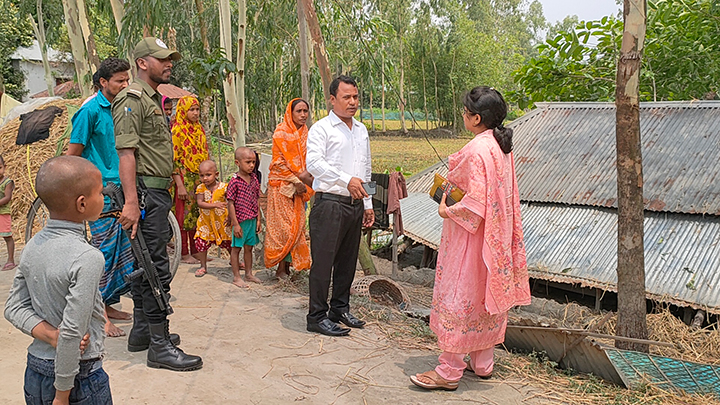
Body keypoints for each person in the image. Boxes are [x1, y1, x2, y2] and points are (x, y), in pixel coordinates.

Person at [410, 87, 531, 391]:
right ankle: (482, 362)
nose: (463, 115)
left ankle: (449, 370)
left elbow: (473, 204)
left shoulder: (477, 150)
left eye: (465, 111)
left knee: (461, 294)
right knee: (483, 296)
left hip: (471, 237)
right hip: (496, 236)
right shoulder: (501, 147)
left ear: (476, 118)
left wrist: (446, 208)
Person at [112, 37, 202, 371]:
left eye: (170, 59)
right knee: (155, 269)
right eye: (162, 59)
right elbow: (126, 154)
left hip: (155, 192)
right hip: (146, 194)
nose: (169, 64)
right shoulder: (132, 99)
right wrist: (132, 202)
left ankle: (141, 332)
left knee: (146, 263)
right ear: (141, 63)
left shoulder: (152, 99)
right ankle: (160, 346)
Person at [4, 155, 112, 405]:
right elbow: (73, 333)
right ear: (82, 204)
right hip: (77, 379)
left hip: (35, 374)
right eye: (100, 193)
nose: (104, 198)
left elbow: (13, 307)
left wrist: (51, 335)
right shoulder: (88, 257)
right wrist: (62, 395)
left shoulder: (32, 245)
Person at [68, 57, 134, 339]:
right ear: (103, 82)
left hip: (122, 187)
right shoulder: (90, 110)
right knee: (103, 253)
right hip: (100, 192)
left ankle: (109, 304)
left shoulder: (124, 107)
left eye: (126, 79)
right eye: (119, 80)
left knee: (122, 252)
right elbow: (73, 154)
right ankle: (99, 315)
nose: (125, 84)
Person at [305, 76, 374, 337]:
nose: (353, 102)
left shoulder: (361, 130)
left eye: (355, 97)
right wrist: (347, 180)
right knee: (323, 263)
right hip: (330, 204)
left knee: (347, 262)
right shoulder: (322, 129)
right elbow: (314, 164)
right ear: (332, 99)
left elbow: (365, 168)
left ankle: (339, 309)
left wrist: (367, 202)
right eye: (346, 97)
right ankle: (317, 316)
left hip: (354, 205)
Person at [265, 98, 314, 279]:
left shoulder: (308, 134)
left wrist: (305, 183)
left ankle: (289, 267)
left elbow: (312, 161)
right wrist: (295, 180)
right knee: (284, 229)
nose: (303, 115)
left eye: (305, 111)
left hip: (302, 188)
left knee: (298, 227)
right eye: (299, 111)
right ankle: (280, 269)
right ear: (290, 113)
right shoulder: (280, 133)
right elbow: (277, 163)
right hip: (282, 187)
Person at [172, 95, 209, 265]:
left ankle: (197, 251)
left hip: (199, 178)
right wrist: (180, 184)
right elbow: (173, 159)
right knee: (183, 216)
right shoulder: (177, 129)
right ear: (183, 111)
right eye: (191, 110)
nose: (195, 113)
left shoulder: (199, 129)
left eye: (197, 109)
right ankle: (184, 252)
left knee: (197, 215)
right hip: (184, 177)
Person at [226, 147, 262, 288]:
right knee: (236, 249)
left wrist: (258, 219)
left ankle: (248, 273)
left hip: (252, 220)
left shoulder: (254, 178)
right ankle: (236, 277)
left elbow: (257, 199)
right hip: (240, 221)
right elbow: (230, 203)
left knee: (249, 248)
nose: (251, 165)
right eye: (248, 162)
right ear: (237, 162)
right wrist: (235, 224)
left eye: (253, 162)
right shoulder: (234, 181)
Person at [193, 160, 231, 277]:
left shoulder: (224, 187)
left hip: (222, 222)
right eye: (202, 175)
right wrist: (215, 205)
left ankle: (235, 262)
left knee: (229, 244)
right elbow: (200, 203)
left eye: (208, 175)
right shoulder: (201, 188)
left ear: (217, 174)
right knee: (201, 243)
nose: (205, 178)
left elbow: (230, 202)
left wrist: (231, 217)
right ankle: (203, 266)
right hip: (206, 223)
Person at [0, 154, 16, 271]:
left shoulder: (7, 182)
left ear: (4, 167)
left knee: (7, 236)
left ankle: (10, 260)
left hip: (3, 214)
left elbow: (7, 197)